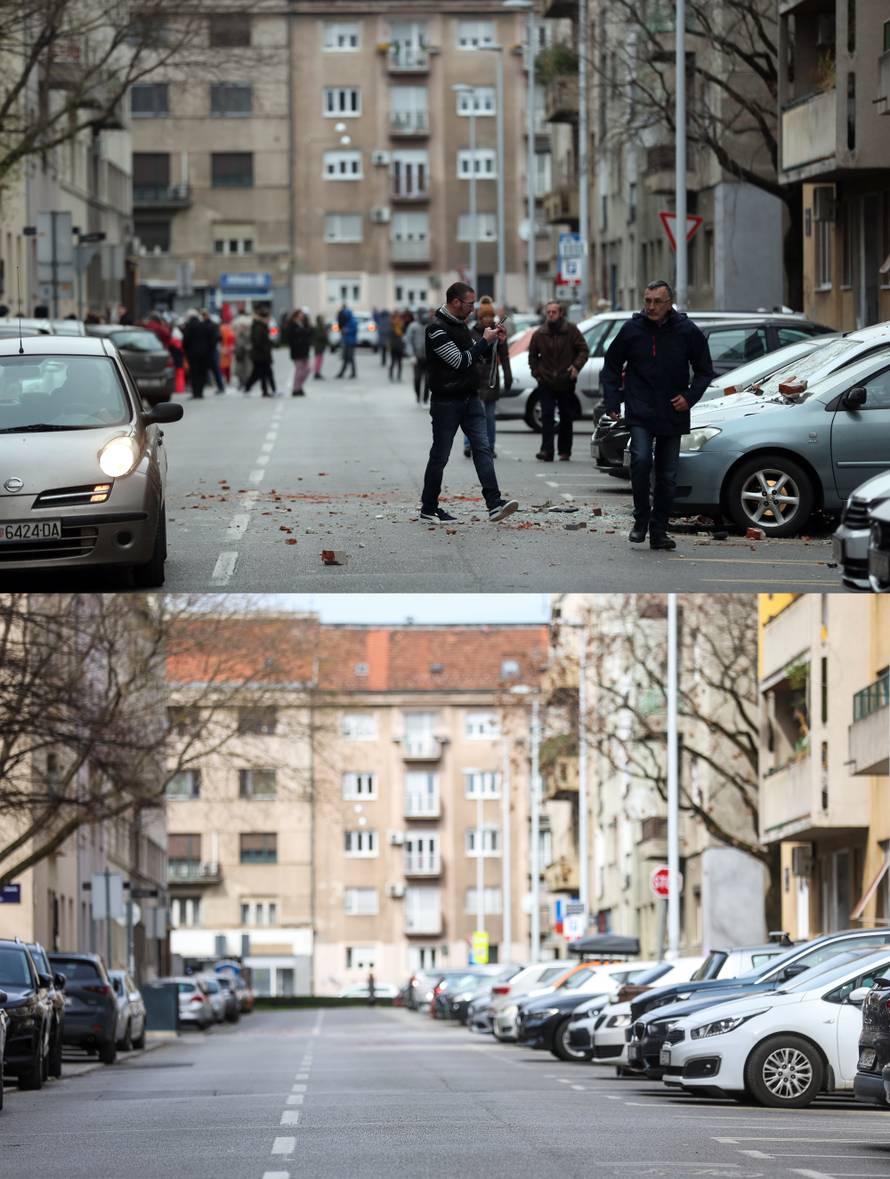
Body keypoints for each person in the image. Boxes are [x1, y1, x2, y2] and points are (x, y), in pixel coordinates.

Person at [601, 278, 714, 551]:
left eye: (656, 302)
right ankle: (641, 519)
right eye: (647, 301)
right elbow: (612, 364)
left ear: (669, 303)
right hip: (640, 408)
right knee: (639, 460)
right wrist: (613, 400)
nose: (650, 306)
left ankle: (659, 530)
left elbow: (704, 370)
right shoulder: (632, 329)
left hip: (672, 411)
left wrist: (689, 397)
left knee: (667, 475)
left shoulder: (686, 331)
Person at [419, 281, 519, 525]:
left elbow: (477, 353)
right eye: (469, 303)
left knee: (483, 448)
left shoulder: (461, 326)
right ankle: (429, 508)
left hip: (470, 397)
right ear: (455, 302)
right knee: (440, 455)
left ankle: (494, 504)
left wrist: (494, 341)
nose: (473, 308)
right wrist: (484, 342)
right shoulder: (436, 329)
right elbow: (460, 361)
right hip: (447, 401)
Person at [528, 300, 590, 462]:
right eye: (548, 312)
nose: (550, 315)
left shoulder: (571, 330)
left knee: (565, 416)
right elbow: (532, 356)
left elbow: (583, 350)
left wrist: (575, 367)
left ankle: (565, 451)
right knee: (547, 416)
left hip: (566, 380)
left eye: (553, 312)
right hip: (546, 381)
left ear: (561, 313)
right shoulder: (540, 333)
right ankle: (546, 450)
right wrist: (537, 373)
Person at [462, 297, 511, 459]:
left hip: (491, 377)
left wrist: (508, 375)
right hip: (475, 377)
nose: (487, 319)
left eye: (490, 316)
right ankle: (469, 444)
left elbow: (504, 356)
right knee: (473, 414)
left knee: (489, 415)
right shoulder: (472, 332)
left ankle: (490, 446)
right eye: (484, 316)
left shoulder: (498, 333)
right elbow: (467, 355)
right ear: (479, 317)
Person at [244, 305, 277, 396]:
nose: (269, 319)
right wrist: (268, 346)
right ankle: (250, 388)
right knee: (260, 374)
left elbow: (272, 336)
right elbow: (259, 341)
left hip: (262, 354)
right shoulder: (259, 326)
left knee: (264, 373)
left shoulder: (262, 325)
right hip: (260, 355)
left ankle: (267, 390)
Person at [285, 308, 312, 396]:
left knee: (307, 369)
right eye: (300, 314)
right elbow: (290, 338)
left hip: (305, 350)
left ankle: (299, 386)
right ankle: (296, 388)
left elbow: (309, 333)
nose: (302, 316)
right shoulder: (292, 325)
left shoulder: (304, 324)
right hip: (297, 351)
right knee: (299, 370)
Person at [404, 310, 429, 403]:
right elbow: (408, 341)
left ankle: (425, 399)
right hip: (417, 358)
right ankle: (418, 396)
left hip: (428, 359)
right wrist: (411, 355)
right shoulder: (413, 326)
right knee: (417, 378)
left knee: (428, 380)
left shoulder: (430, 326)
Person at [202, 310, 225, 393]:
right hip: (213, 350)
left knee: (211, 369)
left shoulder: (203, 325)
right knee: (215, 370)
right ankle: (220, 386)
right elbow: (220, 338)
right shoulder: (214, 325)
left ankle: (202, 387)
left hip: (208, 350)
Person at [232, 306, 253, 390]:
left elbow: (233, 333)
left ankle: (241, 382)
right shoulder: (250, 321)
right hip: (248, 347)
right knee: (248, 365)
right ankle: (247, 381)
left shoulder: (235, 321)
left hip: (239, 347)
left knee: (239, 366)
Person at [335, 304, 357, 378]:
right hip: (347, 341)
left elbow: (354, 330)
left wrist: (347, 331)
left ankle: (351, 373)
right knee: (346, 357)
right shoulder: (347, 321)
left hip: (350, 341)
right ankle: (343, 373)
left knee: (350, 357)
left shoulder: (352, 321)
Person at [388, 310, 405, 381]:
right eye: (396, 317)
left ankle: (399, 376)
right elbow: (390, 336)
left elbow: (403, 335)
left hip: (400, 346)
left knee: (400, 362)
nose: (397, 319)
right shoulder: (391, 326)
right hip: (394, 346)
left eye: (398, 317)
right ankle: (391, 375)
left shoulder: (401, 325)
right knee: (393, 362)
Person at [312, 314, 328, 380]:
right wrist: (325, 334)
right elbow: (319, 336)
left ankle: (318, 372)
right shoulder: (318, 327)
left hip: (321, 346)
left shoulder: (321, 326)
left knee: (320, 360)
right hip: (318, 346)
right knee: (318, 360)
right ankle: (316, 372)